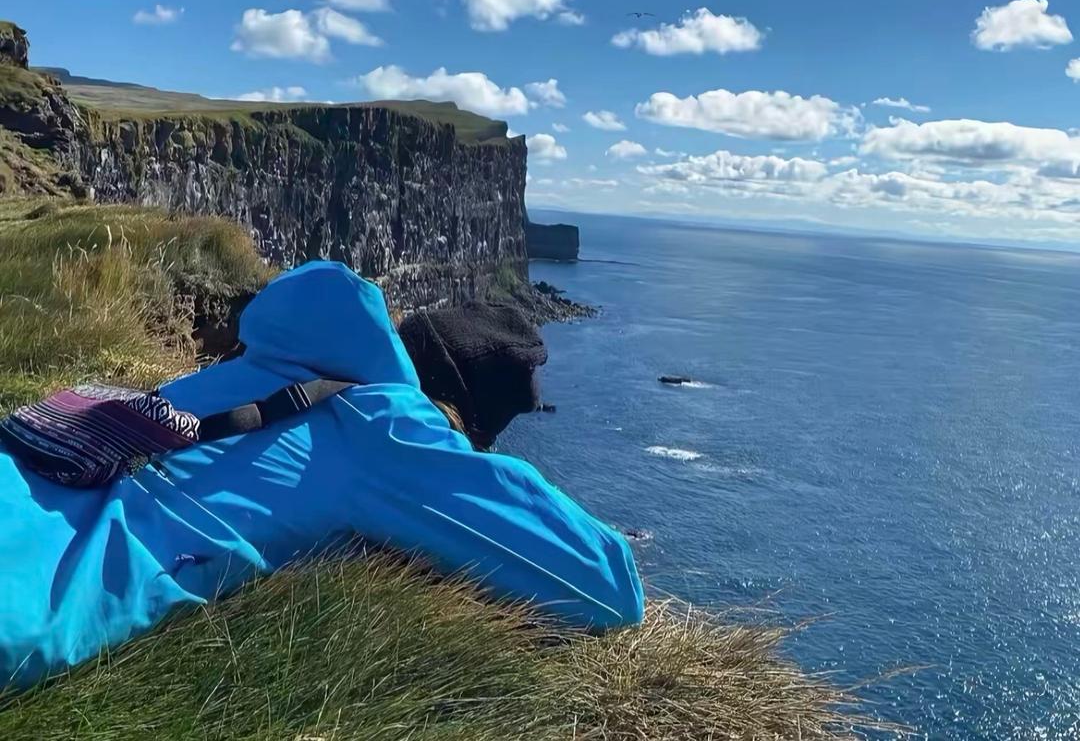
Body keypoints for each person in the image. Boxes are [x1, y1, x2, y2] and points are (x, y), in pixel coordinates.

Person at [0, 261, 644, 690]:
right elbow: (606, 590)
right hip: (27, 595)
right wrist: (462, 457)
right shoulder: (384, 425)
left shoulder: (238, 374)